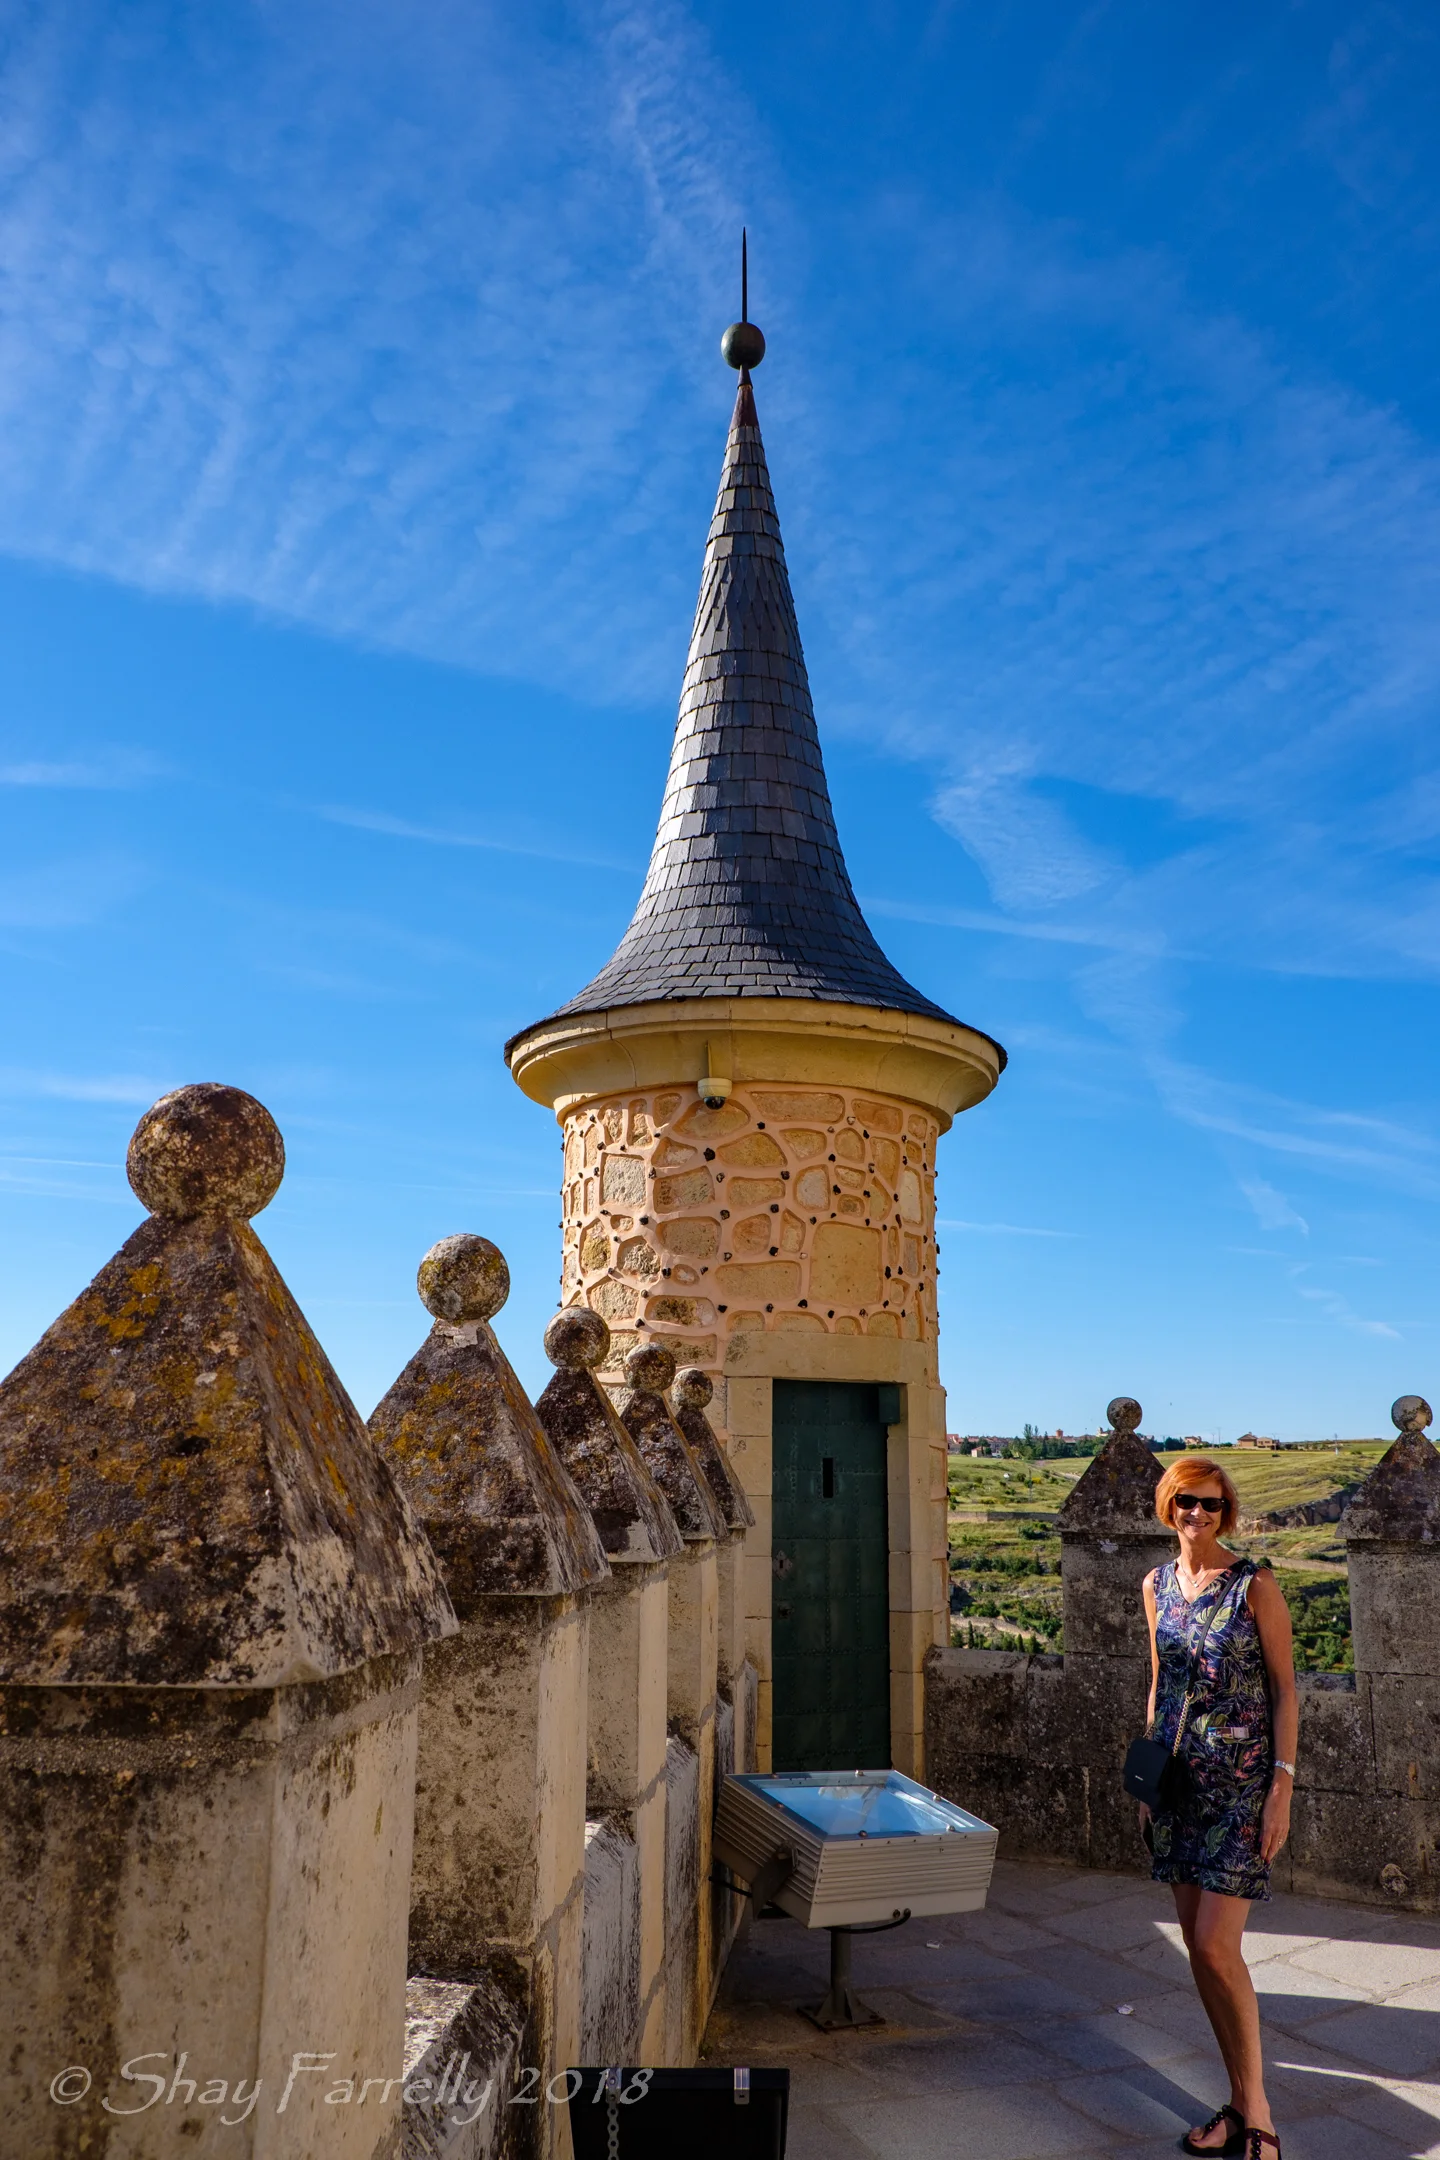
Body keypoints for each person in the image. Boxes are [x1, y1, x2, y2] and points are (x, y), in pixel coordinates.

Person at [1139, 1456, 1298, 2160]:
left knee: (1213, 1946)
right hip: (1177, 1788)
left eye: (1208, 1504)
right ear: (1168, 1507)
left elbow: (1285, 1689)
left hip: (1240, 1789)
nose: (1196, 1514)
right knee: (1199, 1956)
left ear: (1225, 1511)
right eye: (1185, 1503)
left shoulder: (1254, 1584)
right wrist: (1147, 1780)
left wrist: (1281, 1788)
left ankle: (1258, 2114)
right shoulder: (1155, 1586)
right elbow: (1160, 1683)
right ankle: (1236, 2102)